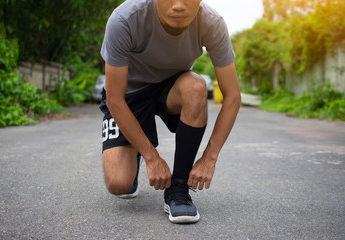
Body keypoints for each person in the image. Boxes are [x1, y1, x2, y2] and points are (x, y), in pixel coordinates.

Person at [100, 0, 241, 224]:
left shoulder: (211, 22)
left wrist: (209, 158)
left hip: (172, 88)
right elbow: (114, 99)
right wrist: (151, 157)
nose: (178, 5)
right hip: (130, 95)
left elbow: (232, 95)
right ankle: (134, 152)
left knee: (196, 87)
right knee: (119, 184)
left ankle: (178, 189)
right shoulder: (124, 19)